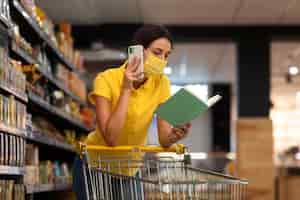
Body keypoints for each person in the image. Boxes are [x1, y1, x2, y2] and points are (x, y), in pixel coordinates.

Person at [79, 24, 191, 199]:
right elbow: (111, 138)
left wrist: (175, 135)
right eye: (157, 52)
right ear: (138, 51)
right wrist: (126, 89)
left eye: (166, 55)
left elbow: (164, 138)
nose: (162, 60)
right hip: (95, 166)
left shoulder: (162, 84)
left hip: (130, 168)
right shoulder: (105, 79)